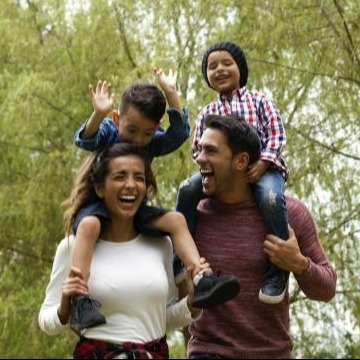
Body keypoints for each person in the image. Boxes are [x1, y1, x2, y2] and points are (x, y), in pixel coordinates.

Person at [69, 69, 240, 332]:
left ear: (155, 129)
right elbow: (86, 140)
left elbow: (179, 133)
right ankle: (80, 300)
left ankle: (201, 277)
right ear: (117, 119)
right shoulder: (109, 131)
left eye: (147, 133)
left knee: (176, 219)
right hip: (97, 206)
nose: (138, 140)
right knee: (89, 226)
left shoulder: (151, 143)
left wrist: (171, 93)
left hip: (134, 209)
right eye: (132, 130)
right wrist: (98, 114)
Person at [38, 142, 210, 359]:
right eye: (120, 176)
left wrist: (192, 304)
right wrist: (65, 306)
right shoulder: (73, 247)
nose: (130, 184)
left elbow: (163, 318)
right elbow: (46, 321)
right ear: (100, 188)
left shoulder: (161, 245)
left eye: (139, 177)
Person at [185, 114, 337, 359]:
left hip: (272, 353)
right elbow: (171, 293)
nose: (200, 158)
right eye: (200, 149)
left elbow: (327, 289)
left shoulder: (290, 214)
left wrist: (299, 264)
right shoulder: (192, 216)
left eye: (210, 151)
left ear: (241, 161)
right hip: (208, 351)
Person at [176, 41, 290, 304]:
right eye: (212, 66)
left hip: (263, 169)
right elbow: (197, 149)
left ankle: (278, 269)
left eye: (227, 63)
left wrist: (262, 162)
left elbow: (276, 136)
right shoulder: (207, 112)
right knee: (186, 189)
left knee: (271, 199)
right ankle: (180, 257)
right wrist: (209, 165)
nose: (220, 70)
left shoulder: (259, 101)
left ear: (241, 68)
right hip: (221, 173)